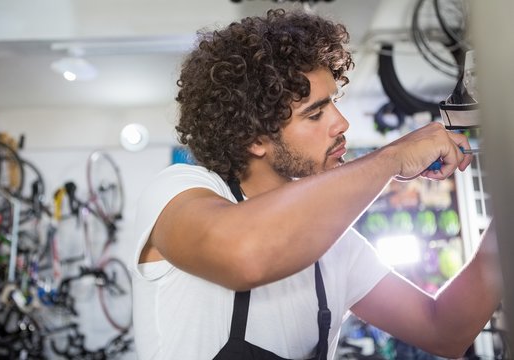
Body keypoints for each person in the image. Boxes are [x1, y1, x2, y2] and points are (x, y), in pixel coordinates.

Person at [130, 8, 502, 360]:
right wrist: (393, 157)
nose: (342, 123)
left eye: (334, 103)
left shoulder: (334, 245)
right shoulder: (179, 191)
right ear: (254, 138)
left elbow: (446, 330)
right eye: (316, 113)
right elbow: (244, 254)